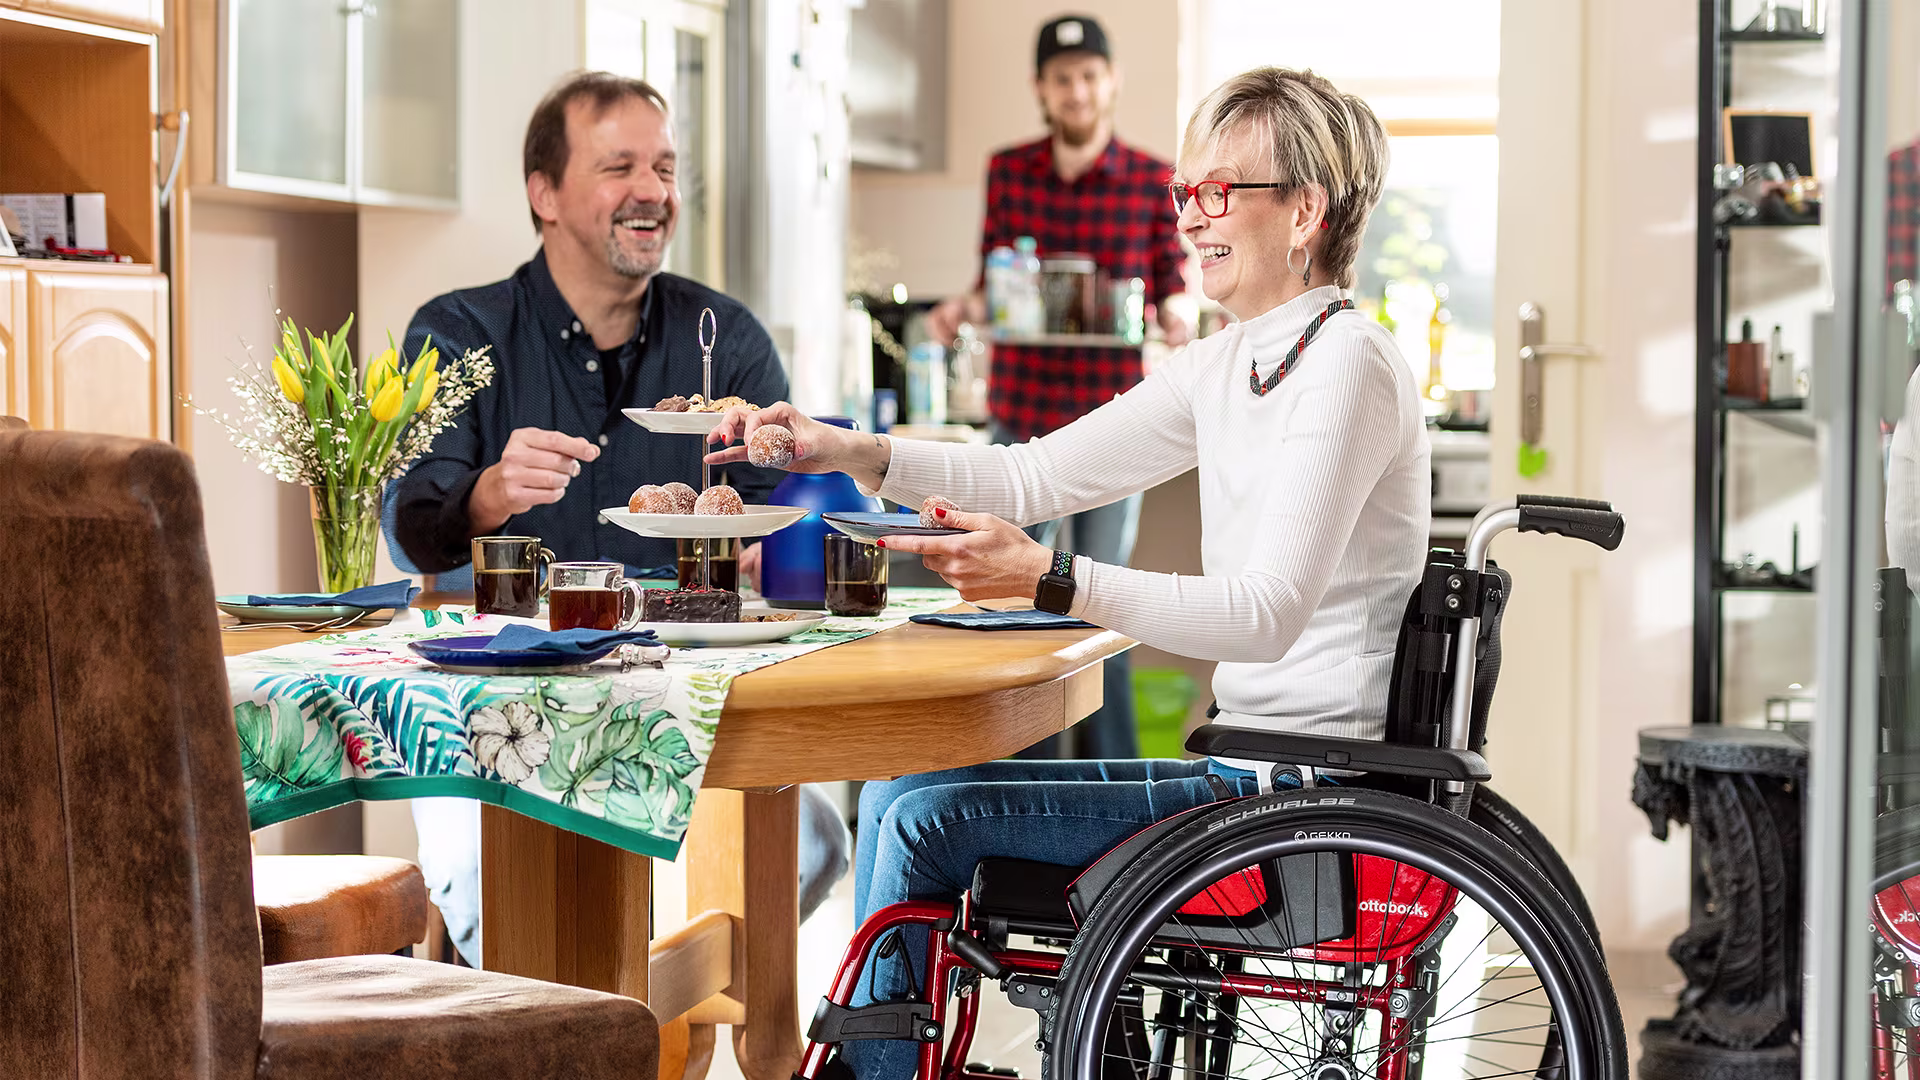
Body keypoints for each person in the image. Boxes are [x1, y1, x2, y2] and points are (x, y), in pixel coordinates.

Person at [706, 67, 1424, 1080]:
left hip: (1303, 802)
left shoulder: (1347, 363)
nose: (1190, 218)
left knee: (921, 813)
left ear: (1305, 211)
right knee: (901, 793)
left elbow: (1263, 615)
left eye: (1221, 192)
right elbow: (1028, 472)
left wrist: (1053, 579)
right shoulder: (1233, 362)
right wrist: (845, 450)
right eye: (1187, 193)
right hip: (1251, 777)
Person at [390, 71, 847, 967]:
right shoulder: (459, 333)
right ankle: (603, 1025)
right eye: (620, 167)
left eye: (666, 167)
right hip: (493, 714)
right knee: (500, 896)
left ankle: (668, 1031)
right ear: (544, 194)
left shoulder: (727, 337)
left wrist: (771, 548)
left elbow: (778, 512)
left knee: (818, 846)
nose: (654, 191)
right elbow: (417, 526)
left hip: (680, 703)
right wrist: (490, 490)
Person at [923, 14, 1196, 759]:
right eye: (1062, 78)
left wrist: (1178, 318)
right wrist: (957, 310)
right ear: (1041, 88)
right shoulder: (1009, 170)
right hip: (1025, 422)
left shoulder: (1149, 178)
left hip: (1116, 426)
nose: (1077, 91)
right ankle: (1024, 768)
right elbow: (993, 288)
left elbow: (1173, 289)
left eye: (1088, 75)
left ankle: (1107, 776)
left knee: (1100, 598)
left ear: (1109, 82)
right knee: (1016, 601)